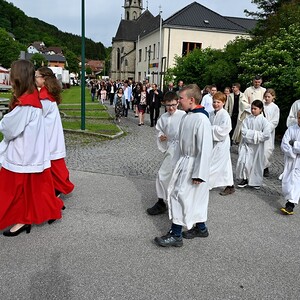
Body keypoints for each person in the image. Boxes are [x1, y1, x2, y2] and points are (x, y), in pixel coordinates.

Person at [0, 60, 64, 236]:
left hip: (23, 154)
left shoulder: (28, 102)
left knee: (10, 191)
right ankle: (25, 219)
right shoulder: (32, 97)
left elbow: (10, 128)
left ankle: (23, 219)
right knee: (29, 191)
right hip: (29, 152)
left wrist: (4, 120)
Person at [154, 84, 212, 247]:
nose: (178, 102)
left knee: (178, 195)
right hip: (185, 161)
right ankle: (201, 228)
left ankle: (176, 234)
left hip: (194, 164)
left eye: (181, 98)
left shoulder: (201, 119)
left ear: (191, 100)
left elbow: (205, 148)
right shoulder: (188, 116)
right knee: (194, 198)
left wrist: (199, 173)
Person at [36, 66, 75, 197]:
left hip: (48, 135)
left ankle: (55, 189)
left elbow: (37, 116)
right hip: (51, 133)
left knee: (53, 165)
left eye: (37, 76)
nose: (35, 79)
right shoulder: (47, 93)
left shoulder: (45, 97)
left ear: (44, 79)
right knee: (55, 165)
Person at [147, 91, 185, 215]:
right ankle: (161, 201)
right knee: (162, 174)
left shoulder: (183, 115)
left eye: (173, 105)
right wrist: (161, 136)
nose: (171, 108)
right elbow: (159, 130)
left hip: (182, 149)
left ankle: (177, 203)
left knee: (178, 177)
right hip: (171, 149)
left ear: (178, 103)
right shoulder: (163, 117)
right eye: (168, 105)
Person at [236, 100, 271, 189]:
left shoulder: (264, 121)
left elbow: (266, 135)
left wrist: (253, 135)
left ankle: (256, 181)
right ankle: (245, 178)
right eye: (252, 108)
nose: (253, 110)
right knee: (245, 162)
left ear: (261, 109)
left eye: (255, 109)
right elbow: (243, 131)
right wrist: (256, 134)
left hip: (258, 147)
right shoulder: (247, 119)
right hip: (247, 145)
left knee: (256, 163)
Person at [209, 92, 235, 196]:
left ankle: (206, 183)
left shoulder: (225, 115)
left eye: (218, 102)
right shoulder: (211, 113)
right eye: (214, 102)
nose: (215, 104)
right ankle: (230, 185)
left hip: (221, 142)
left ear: (223, 103)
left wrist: (211, 129)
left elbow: (225, 129)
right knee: (225, 164)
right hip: (213, 142)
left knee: (214, 164)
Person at [280, 110, 300, 215]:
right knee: (287, 180)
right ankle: (289, 198)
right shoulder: (291, 129)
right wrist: (293, 152)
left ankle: (290, 205)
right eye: (299, 118)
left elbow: (293, 143)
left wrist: (295, 144)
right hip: (291, 159)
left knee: (296, 182)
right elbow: (284, 143)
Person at [263, 89, 280, 177]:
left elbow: (275, 121)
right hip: (260, 130)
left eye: (269, 97)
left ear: (273, 97)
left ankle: (266, 167)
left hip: (269, 131)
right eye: (265, 96)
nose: (267, 98)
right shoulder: (261, 105)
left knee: (267, 149)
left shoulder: (275, 107)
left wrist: (267, 127)